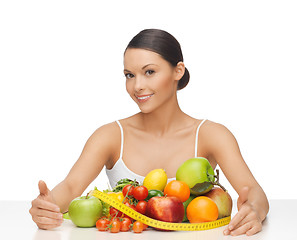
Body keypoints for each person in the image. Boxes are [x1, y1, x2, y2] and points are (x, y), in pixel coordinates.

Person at [29, 29, 269, 236]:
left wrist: (254, 211)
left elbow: (254, 191)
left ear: (178, 71)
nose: (137, 86)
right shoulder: (110, 136)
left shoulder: (212, 135)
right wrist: (46, 206)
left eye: (149, 72)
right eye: (129, 75)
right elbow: (71, 187)